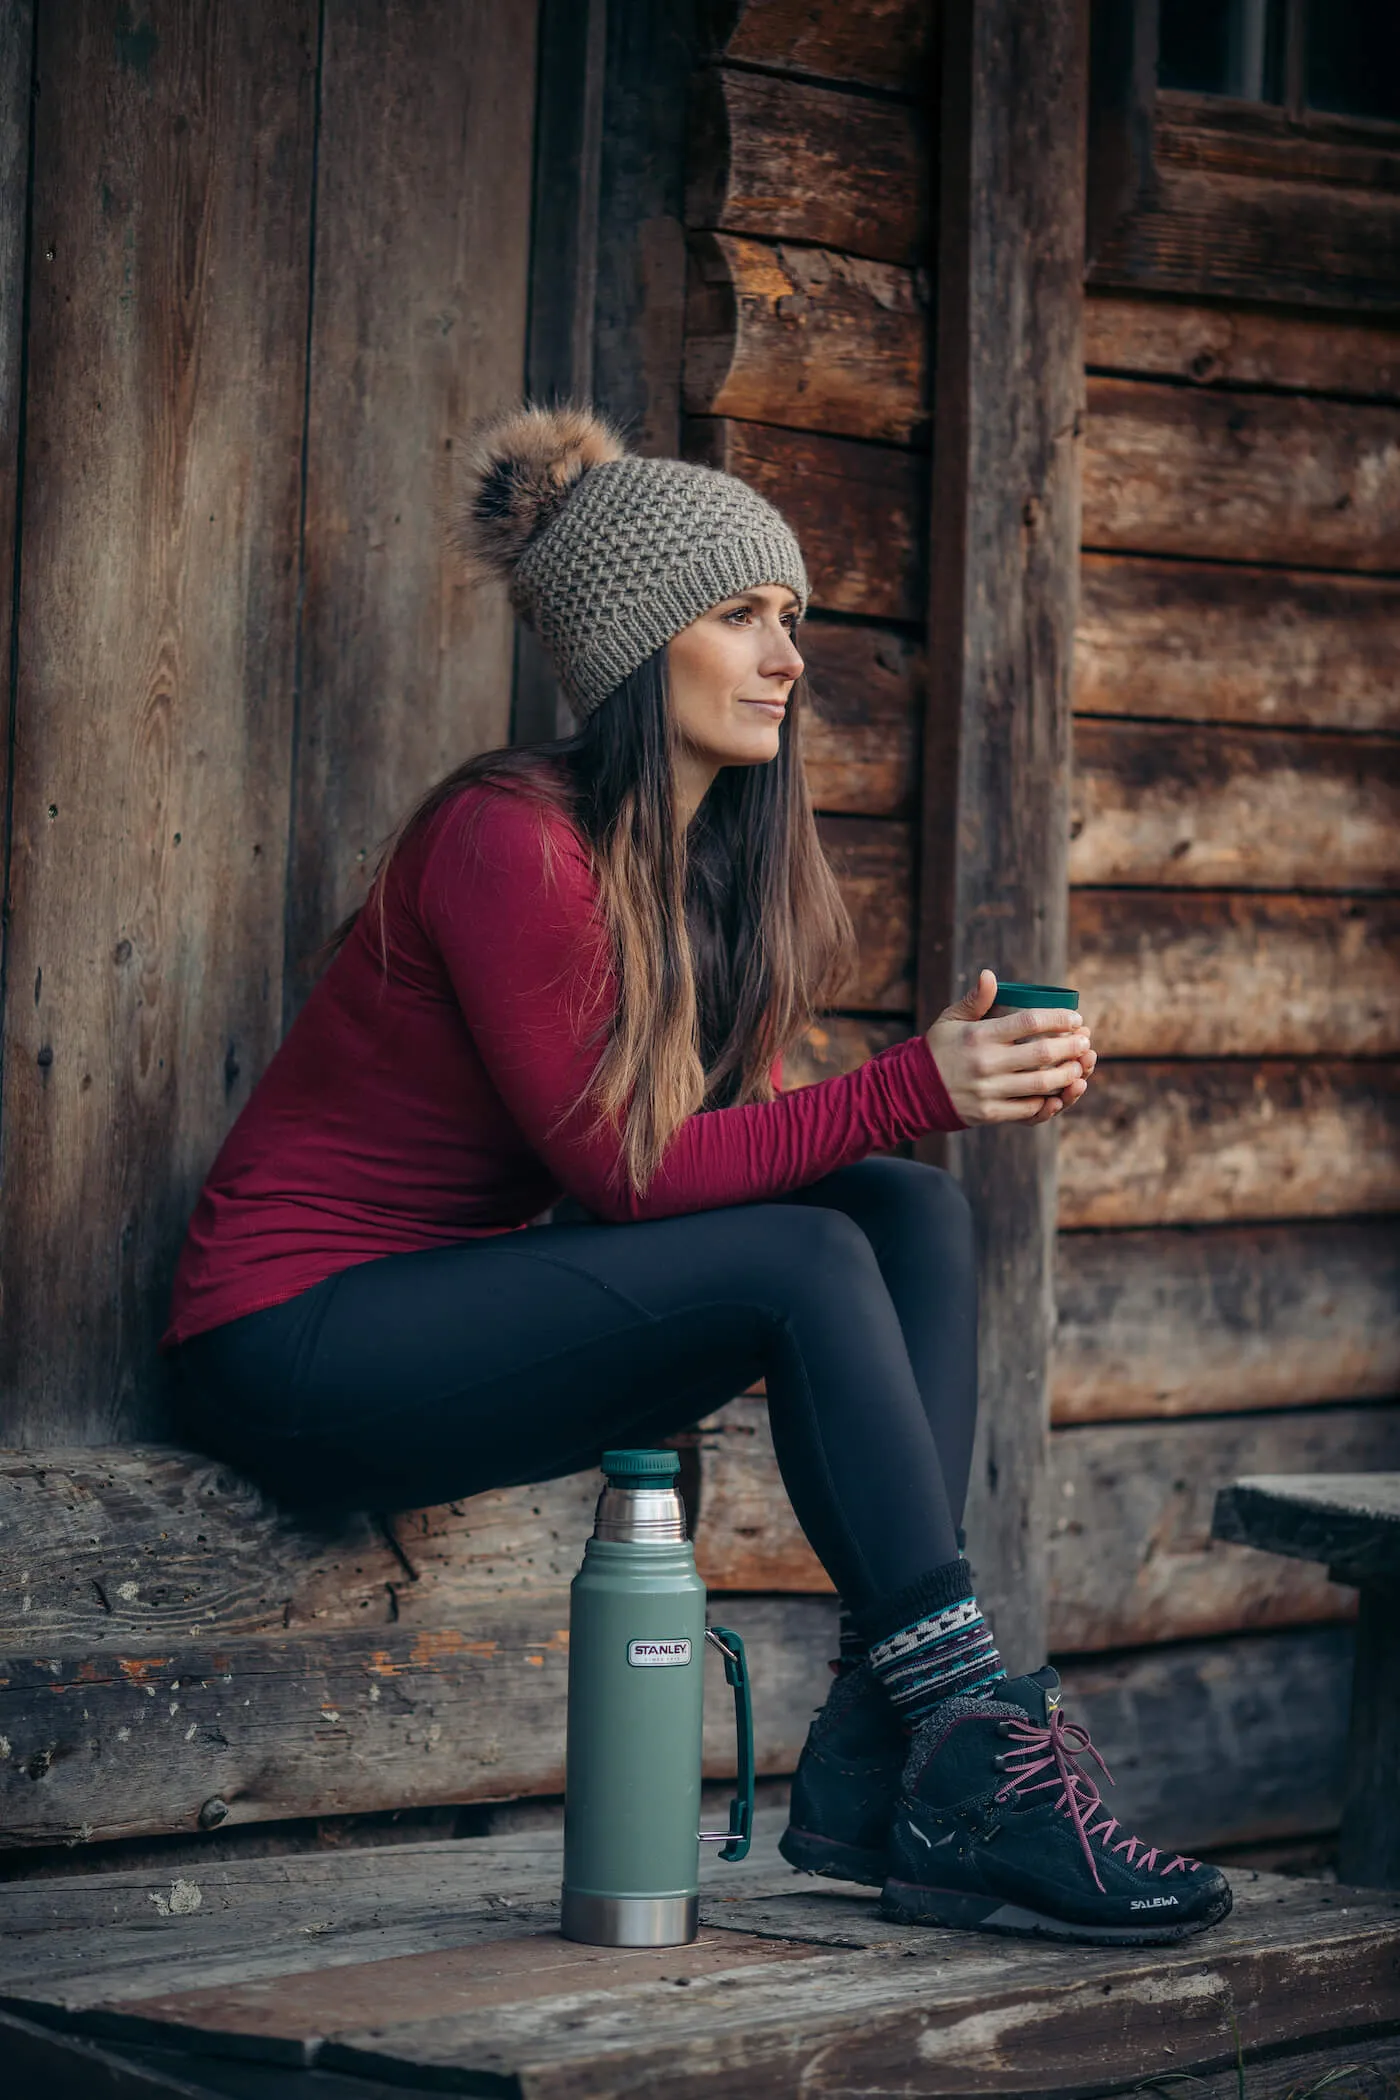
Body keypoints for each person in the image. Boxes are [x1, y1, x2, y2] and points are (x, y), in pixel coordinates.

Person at [164, 403, 1231, 1946]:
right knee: (806, 1252)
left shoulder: (708, 871)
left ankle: (883, 1755)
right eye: (739, 618)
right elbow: (631, 1174)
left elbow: (740, 1159)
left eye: (790, 618)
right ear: (632, 646)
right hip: (287, 1345)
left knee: (902, 1210)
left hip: (435, 1319)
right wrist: (914, 1081)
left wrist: (923, 1110)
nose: (788, 658)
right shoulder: (504, 840)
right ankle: (971, 1756)